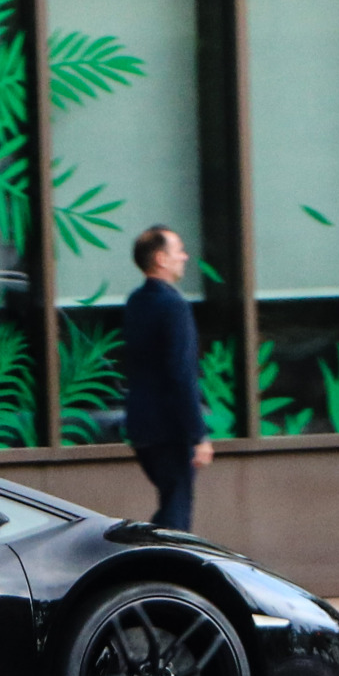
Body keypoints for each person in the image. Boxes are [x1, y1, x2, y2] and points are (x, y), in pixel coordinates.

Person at [122, 224, 213, 531]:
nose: (185, 257)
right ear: (161, 258)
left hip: (141, 426)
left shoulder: (136, 302)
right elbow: (181, 374)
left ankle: (148, 560)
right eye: (179, 251)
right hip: (170, 430)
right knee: (176, 515)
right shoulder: (173, 305)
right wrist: (197, 435)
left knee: (170, 505)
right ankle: (153, 567)